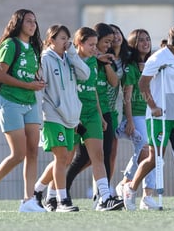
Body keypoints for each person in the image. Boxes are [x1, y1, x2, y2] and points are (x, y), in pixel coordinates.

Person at [122, 24, 174, 211]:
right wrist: (153, 107)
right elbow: (143, 84)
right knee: (155, 158)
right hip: (158, 116)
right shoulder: (158, 58)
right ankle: (130, 188)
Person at [0, 9, 46, 212]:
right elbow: (0, 74)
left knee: (33, 152)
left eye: (35, 21)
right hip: (10, 102)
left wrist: (36, 82)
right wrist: (28, 85)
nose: (33, 25)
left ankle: (28, 201)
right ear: (18, 23)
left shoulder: (34, 48)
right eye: (28, 21)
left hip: (30, 103)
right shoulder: (10, 44)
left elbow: (28, 75)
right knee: (18, 153)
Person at [63, 26, 123, 211]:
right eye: (92, 44)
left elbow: (95, 91)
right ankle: (48, 192)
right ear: (79, 43)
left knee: (99, 156)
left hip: (93, 114)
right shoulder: (68, 62)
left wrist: (99, 115)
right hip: (73, 115)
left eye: (97, 44)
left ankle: (104, 197)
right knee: (66, 159)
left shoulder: (95, 61)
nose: (96, 48)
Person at [32, 24, 90, 212]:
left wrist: (73, 53)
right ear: (51, 40)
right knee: (61, 157)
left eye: (68, 38)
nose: (67, 41)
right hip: (52, 115)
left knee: (64, 158)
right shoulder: (45, 59)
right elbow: (40, 89)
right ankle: (62, 200)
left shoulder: (69, 58)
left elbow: (85, 74)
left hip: (71, 116)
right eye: (62, 38)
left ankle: (37, 191)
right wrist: (39, 119)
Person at [115, 29, 159, 210]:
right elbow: (127, 96)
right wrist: (130, 120)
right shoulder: (130, 67)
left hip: (151, 114)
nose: (145, 43)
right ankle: (128, 183)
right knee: (148, 151)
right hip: (137, 115)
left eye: (147, 39)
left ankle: (144, 195)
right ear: (133, 44)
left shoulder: (153, 63)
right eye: (141, 40)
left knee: (154, 154)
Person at [106, 24, 130, 197]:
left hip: (115, 109)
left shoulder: (126, 58)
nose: (116, 36)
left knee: (112, 152)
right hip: (98, 107)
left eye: (118, 32)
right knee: (90, 155)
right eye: (111, 34)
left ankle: (105, 188)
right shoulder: (102, 57)